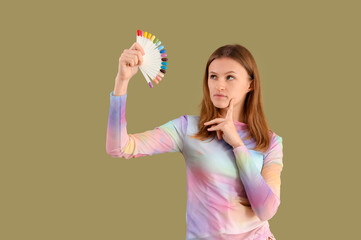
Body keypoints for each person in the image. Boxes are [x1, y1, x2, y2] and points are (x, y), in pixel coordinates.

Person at [106, 42, 283, 240]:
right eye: (213, 76)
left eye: (230, 77)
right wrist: (121, 82)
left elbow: (266, 211)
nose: (219, 85)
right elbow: (119, 147)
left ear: (251, 84)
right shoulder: (187, 129)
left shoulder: (270, 142)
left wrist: (238, 145)